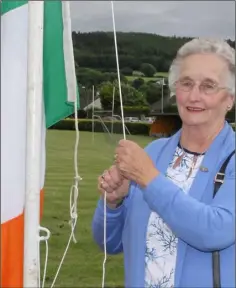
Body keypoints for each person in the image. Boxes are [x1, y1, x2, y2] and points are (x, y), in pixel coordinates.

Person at [92, 38, 235, 288]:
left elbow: (215, 231)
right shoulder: (154, 153)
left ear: (230, 99)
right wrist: (112, 203)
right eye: (186, 83)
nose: (194, 95)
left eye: (209, 86)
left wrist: (149, 178)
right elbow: (109, 242)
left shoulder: (147, 167)